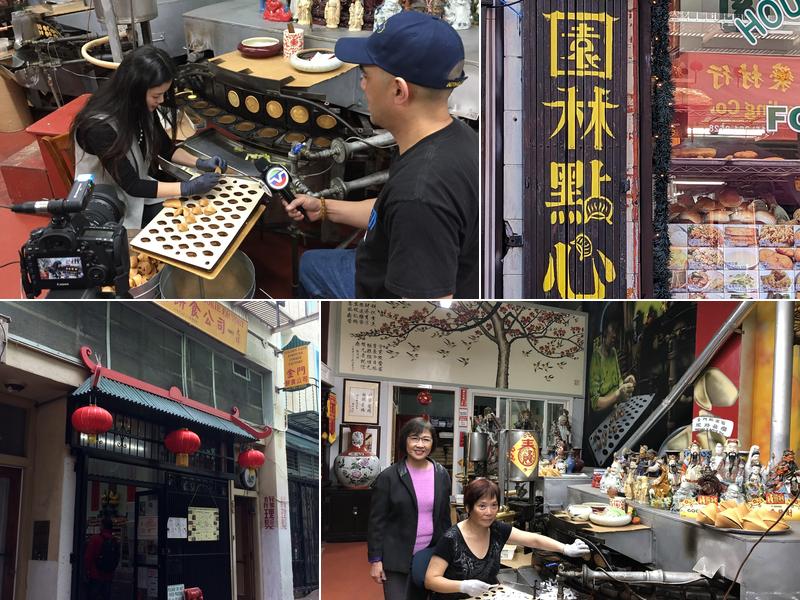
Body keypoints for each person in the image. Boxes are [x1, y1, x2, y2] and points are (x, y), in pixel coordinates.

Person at [283, 11, 478, 299]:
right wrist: (323, 207)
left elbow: (428, 313)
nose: (362, 85)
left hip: (383, 288)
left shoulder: (420, 194)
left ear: (399, 90)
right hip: (391, 261)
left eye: (365, 76)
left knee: (310, 265)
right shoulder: (456, 137)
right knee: (312, 262)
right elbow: (388, 212)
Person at [72, 45, 227, 231]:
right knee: (185, 226)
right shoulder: (99, 126)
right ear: (134, 91)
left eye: (163, 94)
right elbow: (132, 185)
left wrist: (200, 163)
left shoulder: (140, 107)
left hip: (138, 192)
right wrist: (187, 188)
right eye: (156, 95)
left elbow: (165, 148)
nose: (161, 101)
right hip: (107, 206)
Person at [425, 479, 589, 599]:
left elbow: (533, 540)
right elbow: (431, 580)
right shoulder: (451, 539)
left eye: (494, 505)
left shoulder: (496, 529)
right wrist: (463, 586)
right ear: (468, 508)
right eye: (482, 506)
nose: (489, 512)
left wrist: (565, 548)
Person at [368, 417, 452, 600]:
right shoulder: (388, 477)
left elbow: (445, 518)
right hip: (396, 558)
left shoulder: (442, 475)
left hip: (430, 556)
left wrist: (449, 553)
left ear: (432, 443)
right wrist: (375, 560)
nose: (420, 445)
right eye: (414, 438)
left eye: (426, 439)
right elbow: (376, 522)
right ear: (405, 440)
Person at [589, 319, 636, 410]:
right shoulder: (596, 357)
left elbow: (618, 384)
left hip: (617, 409)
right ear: (605, 332)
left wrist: (627, 381)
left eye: (616, 331)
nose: (615, 335)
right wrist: (618, 394)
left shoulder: (613, 352)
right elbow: (595, 403)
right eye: (613, 329)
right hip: (603, 415)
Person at [84, 517, 120, 600]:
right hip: (109, 575)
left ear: (102, 526)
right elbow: (117, 557)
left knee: (92, 596)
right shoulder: (115, 540)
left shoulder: (95, 539)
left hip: (95, 574)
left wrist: (87, 571)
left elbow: (88, 557)